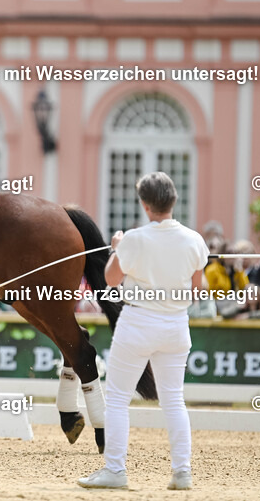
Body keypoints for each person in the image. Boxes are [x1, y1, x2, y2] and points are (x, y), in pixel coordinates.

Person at [78, 172, 208, 491]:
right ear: (173, 200)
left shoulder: (134, 239)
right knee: (174, 400)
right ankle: (182, 472)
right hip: (175, 325)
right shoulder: (194, 240)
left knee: (118, 399)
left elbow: (111, 280)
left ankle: (115, 470)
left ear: (145, 205)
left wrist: (116, 249)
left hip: (138, 323)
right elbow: (197, 289)